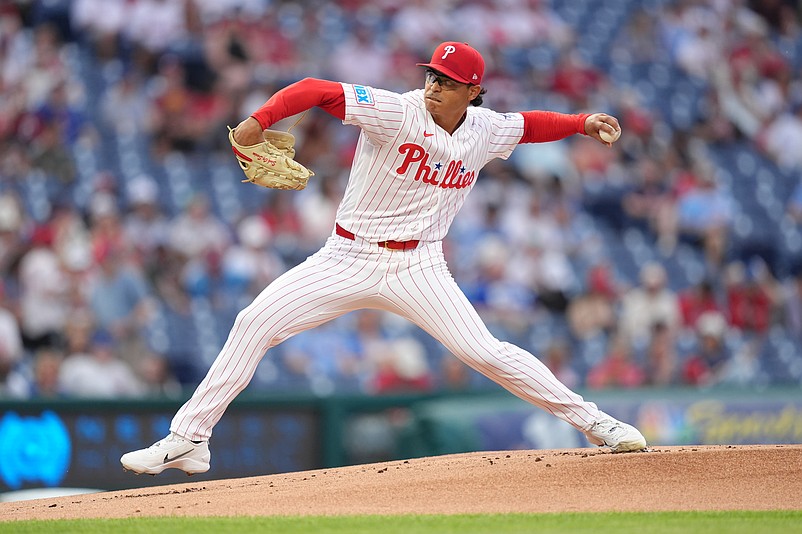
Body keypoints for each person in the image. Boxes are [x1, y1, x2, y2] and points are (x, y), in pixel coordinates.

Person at [121, 41, 646, 476]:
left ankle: (599, 424)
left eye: (446, 81)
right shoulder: (397, 110)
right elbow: (314, 89)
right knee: (253, 321)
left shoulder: (484, 128)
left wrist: (581, 122)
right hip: (346, 256)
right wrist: (261, 120)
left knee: (486, 353)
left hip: (420, 267)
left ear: (472, 91)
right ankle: (189, 439)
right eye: (431, 76)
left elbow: (527, 124)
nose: (434, 86)